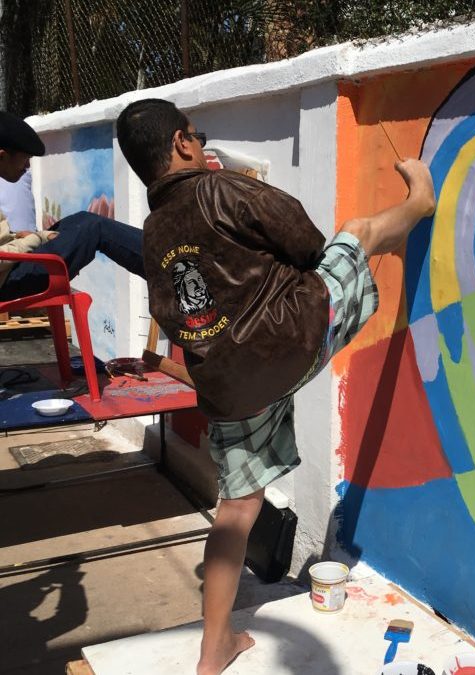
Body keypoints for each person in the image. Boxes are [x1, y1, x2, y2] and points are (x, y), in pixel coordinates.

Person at [116, 98, 435, 675]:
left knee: (235, 509)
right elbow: (310, 243)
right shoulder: (227, 192)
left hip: (230, 386)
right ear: (186, 144)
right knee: (357, 233)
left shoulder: (152, 233)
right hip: (293, 344)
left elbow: (180, 313)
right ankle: (420, 202)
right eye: (197, 138)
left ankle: (215, 647)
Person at [0, 110, 145, 301]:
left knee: (79, 220)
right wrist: (36, 238)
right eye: (25, 158)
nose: (27, 166)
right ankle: (166, 261)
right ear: (2, 156)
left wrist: (20, 237)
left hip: (13, 269)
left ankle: (162, 255)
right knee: (93, 227)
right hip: (10, 279)